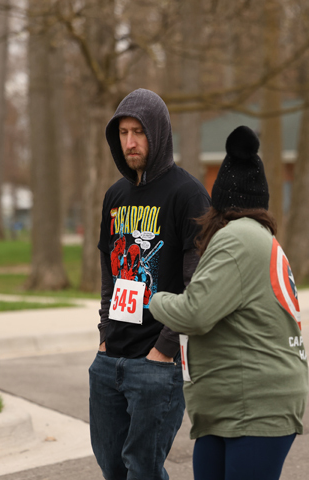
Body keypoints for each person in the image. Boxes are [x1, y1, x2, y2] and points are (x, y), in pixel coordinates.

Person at [149, 126, 309, 480]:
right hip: (231, 407)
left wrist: (154, 298)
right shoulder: (257, 236)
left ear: (218, 203)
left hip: (254, 408)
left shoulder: (237, 239)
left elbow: (195, 313)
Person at [90, 88, 211, 479]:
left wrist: (164, 350)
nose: (130, 142)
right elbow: (109, 274)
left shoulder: (188, 194)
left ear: (158, 133)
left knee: (143, 469)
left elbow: (197, 283)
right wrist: (104, 337)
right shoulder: (115, 196)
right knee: (112, 469)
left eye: (138, 132)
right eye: (123, 132)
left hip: (157, 363)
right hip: (110, 358)